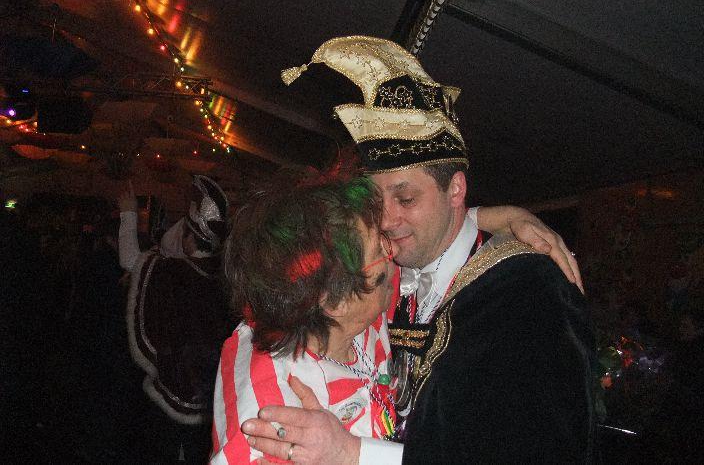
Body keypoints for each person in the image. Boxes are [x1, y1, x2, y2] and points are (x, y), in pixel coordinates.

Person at [243, 35, 596, 464]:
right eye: (376, 202)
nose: (387, 220)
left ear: (456, 190)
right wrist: (488, 215)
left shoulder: (527, 290)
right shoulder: (384, 274)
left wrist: (353, 453)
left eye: (406, 199)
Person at [210, 171, 398, 464]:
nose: (393, 251)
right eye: (380, 250)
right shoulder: (273, 415)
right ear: (336, 301)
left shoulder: (362, 316)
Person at [118, 175, 233, 463]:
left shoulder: (174, 273)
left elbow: (129, 259)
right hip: (212, 403)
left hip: (169, 401)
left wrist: (128, 213)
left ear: (190, 238)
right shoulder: (228, 281)